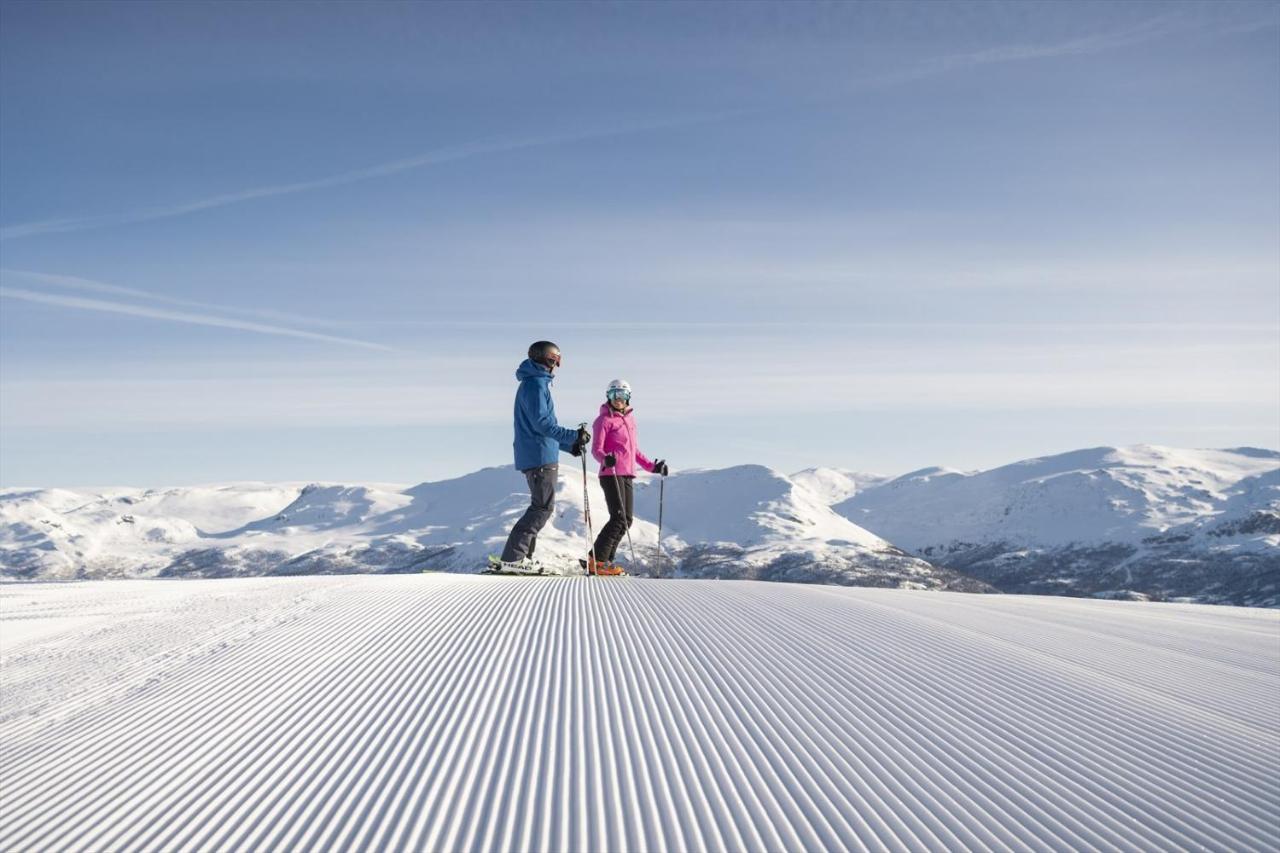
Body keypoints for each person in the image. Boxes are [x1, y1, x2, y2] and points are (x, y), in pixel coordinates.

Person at [496, 340, 589, 574]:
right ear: (547, 359)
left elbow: (542, 430)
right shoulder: (536, 385)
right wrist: (573, 435)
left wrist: (570, 446)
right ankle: (513, 559)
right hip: (538, 457)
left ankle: (521, 559)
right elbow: (543, 424)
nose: (557, 365)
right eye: (556, 359)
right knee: (541, 508)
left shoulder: (535, 383)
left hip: (538, 453)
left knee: (540, 507)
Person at [586, 379, 668, 575]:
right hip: (610, 473)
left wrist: (652, 467)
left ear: (628, 397)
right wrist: (606, 459)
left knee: (626, 520)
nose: (619, 399)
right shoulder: (603, 421)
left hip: (627, 475)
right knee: (618, 517)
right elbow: (596, 450)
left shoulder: (630, 421)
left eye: (622, 395)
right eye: (615, 395)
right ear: (608, 397)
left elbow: (634, 451)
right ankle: (596, 561)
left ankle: (605, 562)